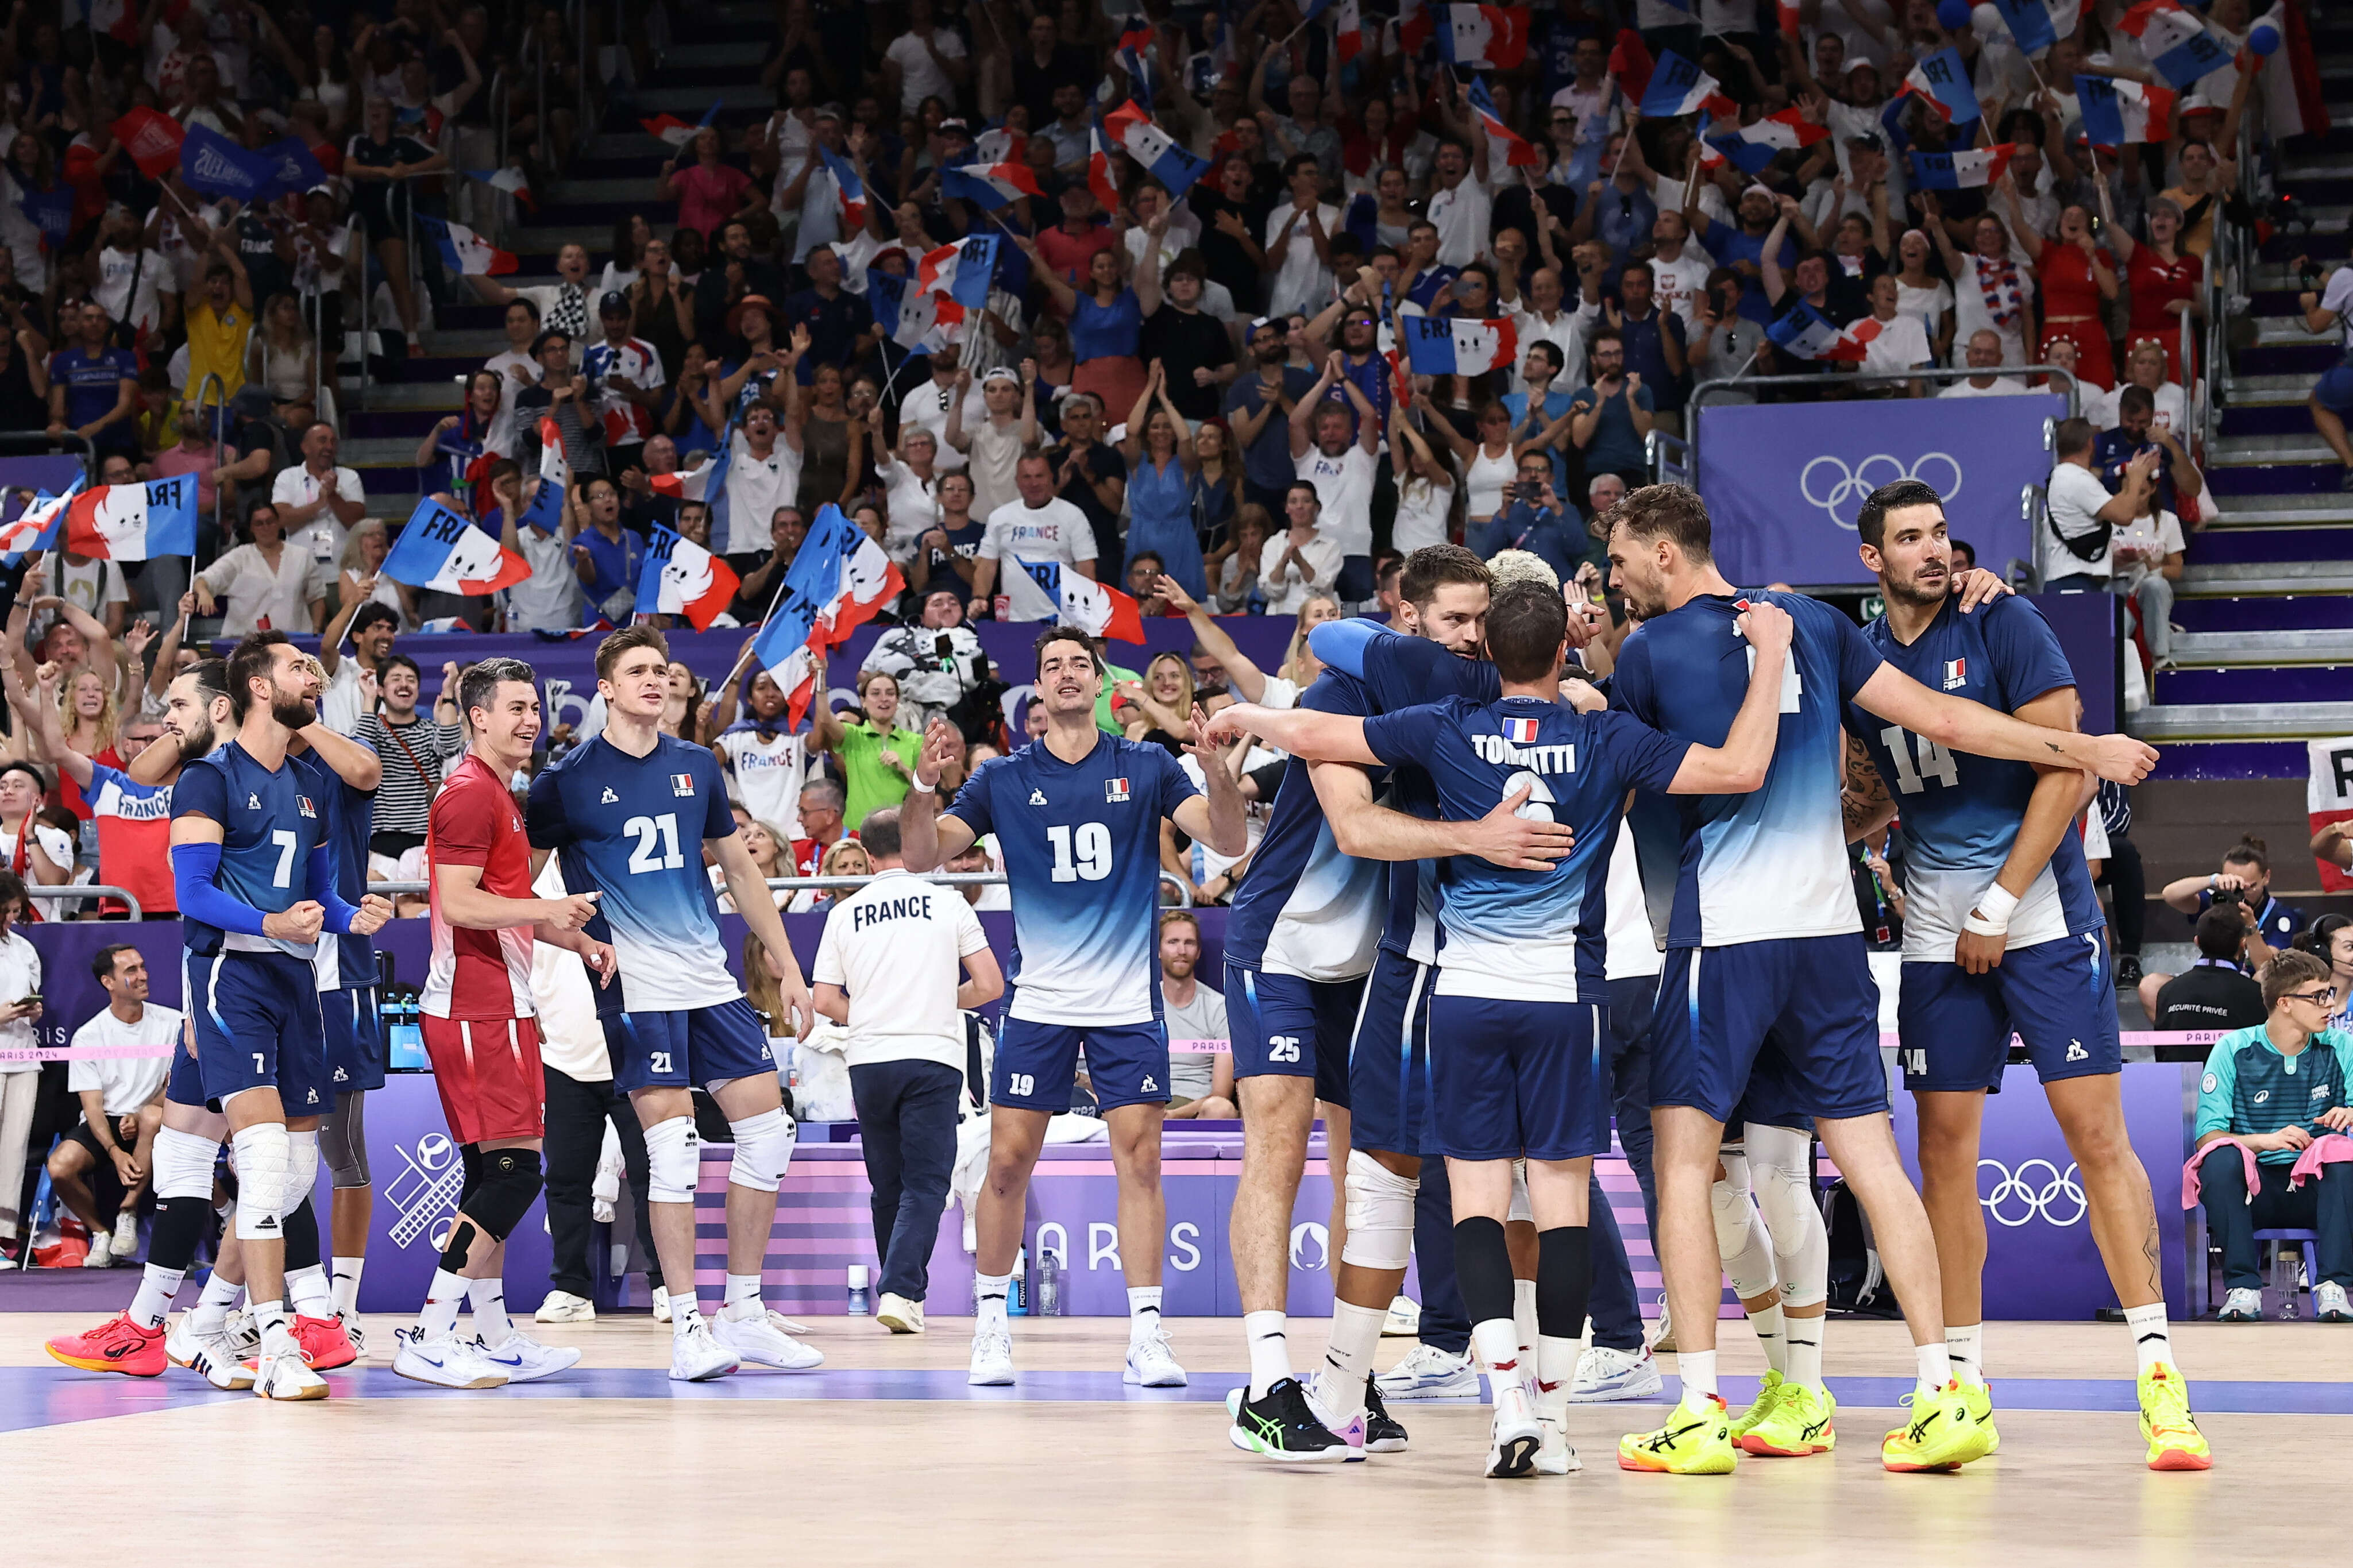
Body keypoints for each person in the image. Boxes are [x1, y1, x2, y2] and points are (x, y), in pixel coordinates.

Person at [1599, 483, 2157, 1474]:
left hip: (1720, 938)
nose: (1614, 577)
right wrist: (2082, 749)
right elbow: (1947, 716)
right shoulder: (1816, 622)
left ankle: (1696, 1406)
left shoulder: (1648, 651)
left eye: (1619, 560)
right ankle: (1945, 1390)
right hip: (1831, 939)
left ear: (1664, 557)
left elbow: (1648, 788)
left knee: (1686, 1166)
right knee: (1874, 1165)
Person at [1216, 577, 1791, 1476]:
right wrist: (1776, 658)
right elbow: (1740, 767)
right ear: (1565, 646)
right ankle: (1537, 1421)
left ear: (1487, 641)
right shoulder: (1603, 732)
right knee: (1549, 1201)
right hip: (1564, 996)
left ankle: (1500, 1403)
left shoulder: (1442, 722)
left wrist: (1247, 718)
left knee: (1469, 1200)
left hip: (1460, 993)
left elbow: (1318, 715)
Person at [1845, 478, 2210, 1471]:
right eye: (1909, 538)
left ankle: (2160, 1377)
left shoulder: (2004, 620)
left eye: (1940, 533)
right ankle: (1960, 1388)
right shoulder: (1862, 656)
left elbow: (2073, 762)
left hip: (2039, 919)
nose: (1934, 549)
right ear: (1871, 559)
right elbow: (1876, 791)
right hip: (1930, 934)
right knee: (1946, 1155)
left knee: (2098, 1137)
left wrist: (1999, 902)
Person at [899, 627, 1246, 1388]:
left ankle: (1147, 1335)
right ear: (1037, 689)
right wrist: (922, 789)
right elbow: (924, 856)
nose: (1064, 676)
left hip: (1126, 999)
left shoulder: (1147, 763)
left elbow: (1225, 834)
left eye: (1077, 666)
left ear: (1098, 684)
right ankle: (991, 1326)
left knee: (1143, 1161)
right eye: (1051, 666)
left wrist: (1217, 772)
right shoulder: (1003, 780)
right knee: (1007, 1162)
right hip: (1040, 1000)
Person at [527, 625, 821, 1382]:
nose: (655, 681)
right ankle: (688, 1321)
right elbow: (521, 894)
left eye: (663, 670)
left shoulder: (697, 763)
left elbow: (743, 873)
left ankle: (744, 1312)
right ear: (607, 687)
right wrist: (579, 945)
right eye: (638, 671)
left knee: (769, 1133)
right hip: (640, 989)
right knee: (674, 1151)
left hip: (712, 981)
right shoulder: (565, 778)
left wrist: (788, 966)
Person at [169, 634, 393, 1400]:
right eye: (302, 666)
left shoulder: (309, 781)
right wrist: (271, 925)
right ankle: (275, 1345)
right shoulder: (208, 777)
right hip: (233, 976)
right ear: (261, 686)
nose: (316, 676)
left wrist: (350, 916)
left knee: (294, 1176)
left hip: (300, 981)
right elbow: (192, 893)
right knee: (265, 1163)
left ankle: (202, 1327)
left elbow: (320, 893)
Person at [398, 658, 607, 1389]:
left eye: (534, 708)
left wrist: (571, 938)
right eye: (515, 708)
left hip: (500, 1002)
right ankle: (428, 1334)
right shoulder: (466, 794)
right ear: (477, 715)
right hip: (472, 1008)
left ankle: (494, 1337)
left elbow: (503, 908)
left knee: (492, 1172)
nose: (530, 720)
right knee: (516, 1174)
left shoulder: (500, 794)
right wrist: (546, 911)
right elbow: (457, 905)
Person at [814, 807, 1003, 1334]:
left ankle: (903, 1294)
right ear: (919, 842)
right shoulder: (948, 905)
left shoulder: (843, 913)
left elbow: (825, 999)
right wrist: (942, 1002)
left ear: (868, 854)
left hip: (869, 1059)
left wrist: (876, 1015)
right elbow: (990, 986)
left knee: (888, 1185)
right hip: (931, 1056)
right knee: (926, 1180)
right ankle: (900, 1290)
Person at [2195, 949, 2353, 1324]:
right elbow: (2207, 1137)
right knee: (2218, 1159)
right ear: (2284, 1003)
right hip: (2258, 1190)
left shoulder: (2341, 1046)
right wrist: (2265, 1140)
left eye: (2329, 994)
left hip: (2321, 1192)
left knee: (2342, 1155)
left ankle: (2334, 1288)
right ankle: (2243, 1289)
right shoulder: (2233, 1050)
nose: (2329, 1005)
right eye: (2318, 997)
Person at [43, 945, 174, 1269]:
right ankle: (101, 1232)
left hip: (151, 1117)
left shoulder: (173, 1023)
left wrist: (141, 1110)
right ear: (108, 983)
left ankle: (127, 1211)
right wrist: (115, 1152)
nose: (143, 976)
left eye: (142, 967)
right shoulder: (88, 1036)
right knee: (59, 1167)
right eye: (131, 971)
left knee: (153, 1117)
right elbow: (92, 1106)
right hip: (104, 1124)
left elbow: (174, 1086)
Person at [354, 655, 465, 882]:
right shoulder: (374, 728)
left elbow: (450, 744)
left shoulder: (429, 729)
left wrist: (449, 692)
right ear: (383, 689)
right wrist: (369, 698)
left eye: (411, 679)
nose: (404, 684)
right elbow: (361, 755)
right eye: (396, 679)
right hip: (382, 842)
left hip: (424, 840)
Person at [1287, 353, 1382, 603]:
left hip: (1356, 552)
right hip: (1315, 550)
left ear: (1350, 431)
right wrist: (1325, 381)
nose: (1330, 433)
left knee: (1357, 620)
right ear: (1317, 432)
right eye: (1325, 428)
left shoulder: (1363, 457)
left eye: (1337, 427)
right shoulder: (1308, 459)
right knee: (1316, 616)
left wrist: (1342, 378)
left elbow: (1370, 415)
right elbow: (1296, 421)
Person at [971, 451, 1098, 623]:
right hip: (1014, 620)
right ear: (1017, 481)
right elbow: (987, 564)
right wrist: (979, 597)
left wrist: (1084, 611)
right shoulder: (1000, 517)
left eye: (1039, 476)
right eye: (1027, 477)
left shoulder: (1072, 515)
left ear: (1051, 477)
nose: (1034, 483)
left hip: (1062, 619)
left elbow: (1086, 566)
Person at [811, 666, 924, 828]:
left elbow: (926, 791)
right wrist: (821, 679)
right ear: (863, 701)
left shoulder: (916, 742)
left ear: (897, 700)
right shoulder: (853, 736)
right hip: (858, 832)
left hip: (900, 832)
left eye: (890, 693)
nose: (884, 699)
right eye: (876, 694)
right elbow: (825, 719)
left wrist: (904, 769)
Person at [1158, 912, 1236, 1119]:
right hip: (1147, 1103)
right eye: (1173, 942)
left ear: (1198, 952)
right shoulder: (1141, 1004)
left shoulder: (1220, 1008)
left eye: (1189, 943)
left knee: (1222, 1108)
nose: (1181, 951)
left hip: (1196, 1107)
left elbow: (1221, 1093)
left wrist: (1173, 1115)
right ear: (1158, 950)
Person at [2153, 909, 2268, 1033]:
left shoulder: (2168, 991)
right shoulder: (2256, 994)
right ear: (2242, 944)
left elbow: (2162, 1048)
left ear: (2197, 942)